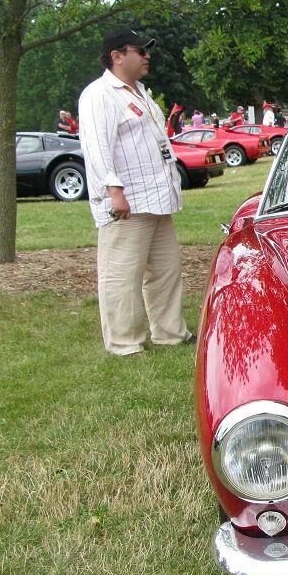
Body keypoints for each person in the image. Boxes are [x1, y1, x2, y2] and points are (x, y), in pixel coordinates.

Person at [77, 28, 193, 356]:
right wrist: (114, 192)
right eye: (140, 51)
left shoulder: (139, 91)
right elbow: (97, 149)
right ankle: (124, 343)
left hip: (156, 198)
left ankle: (170, 332)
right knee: (121, 274)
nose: (147, 56)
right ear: (117, 55)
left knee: (166, 271)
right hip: (127, 200)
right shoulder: (99, 94)